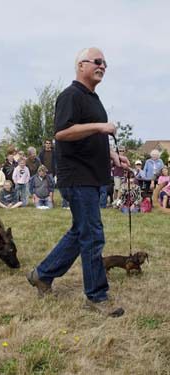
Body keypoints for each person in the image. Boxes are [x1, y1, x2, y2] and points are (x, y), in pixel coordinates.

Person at [26, 47, 130, 317]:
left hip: (94, 176)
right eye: (97, 61)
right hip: (78, 177)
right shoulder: (70, 95)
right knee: (93, 235)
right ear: (80, 66)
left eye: (105, 63)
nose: (102, 66)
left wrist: (113, 156)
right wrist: (100, 127)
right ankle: (96, 295)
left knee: (80, 232)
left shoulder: (94, 98)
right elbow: (62, 132)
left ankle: (42, 274)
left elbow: (90, 137)